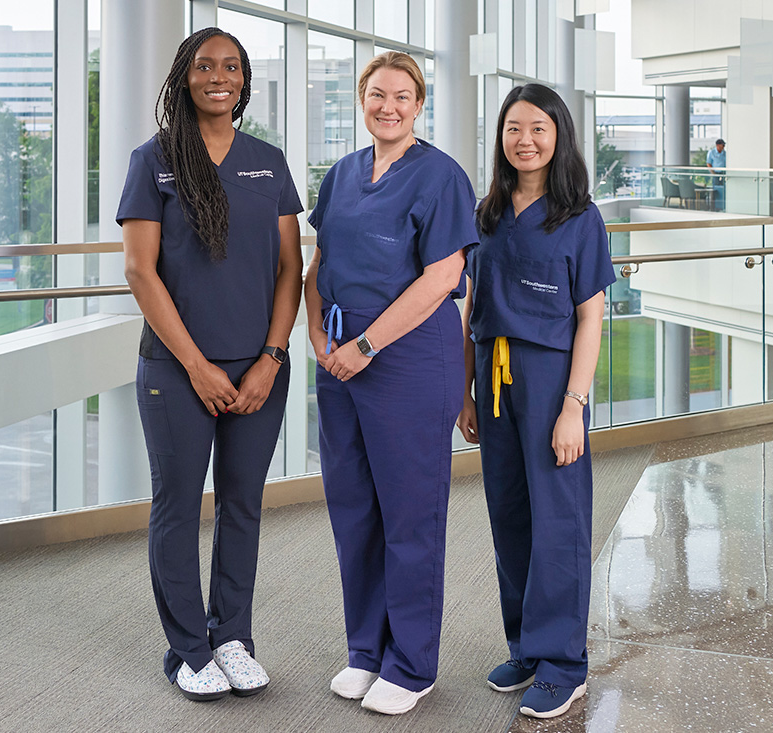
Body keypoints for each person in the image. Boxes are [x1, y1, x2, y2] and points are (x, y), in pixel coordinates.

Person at [117, 27, 303, 702]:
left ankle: (233, 638)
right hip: (176, 370)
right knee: (176, 509)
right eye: (204, 65)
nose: (218, 75)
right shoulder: (155, 159)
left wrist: (272, 358)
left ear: (245, 83)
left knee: (243, 505)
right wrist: (196, 366)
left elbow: (291, 269)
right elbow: (141, 271)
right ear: (184, 77)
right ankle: (188, 649)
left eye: (231, 67)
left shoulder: (267, 161)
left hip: (259, 369)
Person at [305, 51, 479, 716]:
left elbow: (441, 278)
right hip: (340, 362)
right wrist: (319, 337)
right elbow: (319, 262)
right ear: (361, 98)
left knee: (409, 515)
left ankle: (412, 663)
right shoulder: (342, 174)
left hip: (406, 360)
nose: (389, 106)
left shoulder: (440, 177)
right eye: (378, 94)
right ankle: (366, 650)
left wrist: (368, 344)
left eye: (402, 96)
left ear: (419, 103)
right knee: (354, 511)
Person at [457, 83, 615, 720]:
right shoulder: (487, 210)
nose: (525, 140)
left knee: (558, 520)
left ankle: (563, 662)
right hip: (493, 375)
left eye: (539, 129)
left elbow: (592, 317)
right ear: (501, 137)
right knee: (510, 512)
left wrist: (573, 405)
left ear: (559, 137)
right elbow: (472, 299)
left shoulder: (580, 215)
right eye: (514, 128)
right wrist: (465, 388)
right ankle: (525, 643)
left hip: (551, 376)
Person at [706, 138, 726, 210]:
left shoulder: (725, 153)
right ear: (717, 145)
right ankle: (716, 207)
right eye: (721, 146)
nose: (723, 147)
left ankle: (723, 206)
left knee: (723, 189)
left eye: (723, 146)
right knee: (716, 190)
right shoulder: (711, 153)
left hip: (723, 174)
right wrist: (713, 173)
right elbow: (709, 163)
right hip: (716, 173)